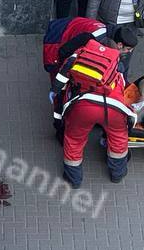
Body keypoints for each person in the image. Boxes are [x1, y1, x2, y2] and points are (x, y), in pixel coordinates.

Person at [55, 40, 135, 187]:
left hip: (83, 106)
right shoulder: (117, 65)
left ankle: (74, 180)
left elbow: (61, 80)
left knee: (74, 140)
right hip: (113, 107)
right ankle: (117, 174)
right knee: (118, 138)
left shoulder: (80, 55)